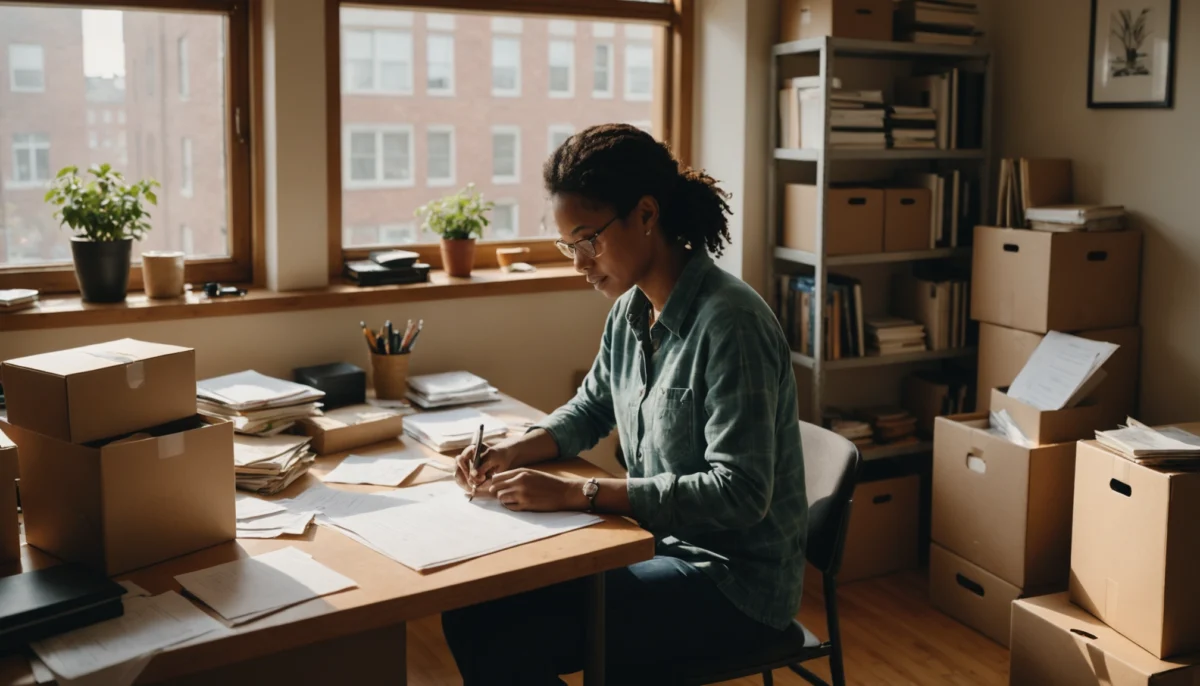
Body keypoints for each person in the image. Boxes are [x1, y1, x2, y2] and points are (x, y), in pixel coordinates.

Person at [442, 123, 807, 685]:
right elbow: (590, 408)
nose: (579, 261)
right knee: (471, 606)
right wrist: (515, 449)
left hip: (733, 583)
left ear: (645, 214)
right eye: (569, 245)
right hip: (653, 544)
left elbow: (741, 493)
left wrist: (579, 493)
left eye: (587, 239)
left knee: (505, 630)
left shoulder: (731, 324)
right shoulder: (630, 311)